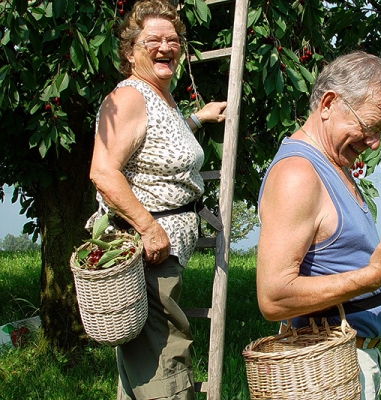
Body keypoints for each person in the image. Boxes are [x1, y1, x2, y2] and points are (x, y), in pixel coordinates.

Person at [256, 51, 381, 399]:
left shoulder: (336, 165)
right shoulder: (298, 175)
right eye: (370, 127)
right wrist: (372, 278)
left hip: (347, 363)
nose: (374, 143)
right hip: (322, 369)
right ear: (328, 103)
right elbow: (273, 298)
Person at [88, 0, 226, 398]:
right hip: (146, 253)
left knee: (144, 360)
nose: (166, 46)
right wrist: (149, 229)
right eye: (153, 40)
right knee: (166, 357)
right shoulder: (129, 97)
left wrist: (198, 119)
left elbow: (156, 143)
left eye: (173, 39)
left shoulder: (158, 98)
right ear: (131, 52)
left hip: (162, 252)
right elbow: (103, 172)